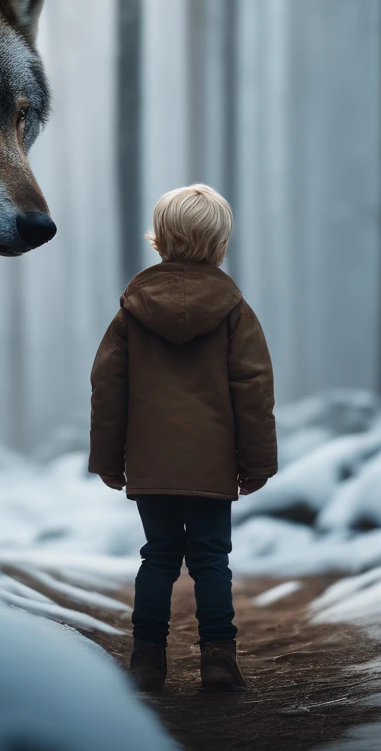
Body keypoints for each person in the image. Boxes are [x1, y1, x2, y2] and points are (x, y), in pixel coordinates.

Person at [89, 183, 277, 693]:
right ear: (220, 244)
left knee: (159, 558)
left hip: (153, 466)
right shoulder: (235, 311)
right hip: (213, 466)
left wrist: (109, 459)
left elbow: (108, 389)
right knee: (212, 560)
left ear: (159, 241)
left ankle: (147, 661)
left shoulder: (133, 311)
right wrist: (257, 462)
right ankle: (219, 660)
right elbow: (253, 389)